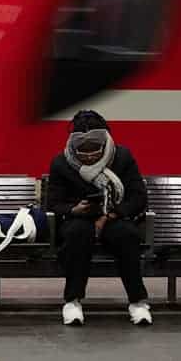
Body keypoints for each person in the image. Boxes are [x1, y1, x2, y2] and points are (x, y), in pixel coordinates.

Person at [46, 110, 151, 327]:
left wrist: (110, 214)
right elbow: (53, 203)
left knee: (127, 235)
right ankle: (72, 301)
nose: (89, 156)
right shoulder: (61, 163)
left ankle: (138, 302)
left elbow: (138, 197)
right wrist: (74, 209)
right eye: (82, 152)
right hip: (78, 218)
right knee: (77, 234)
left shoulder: (122, 157)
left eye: (94, 150)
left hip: (114, 215)